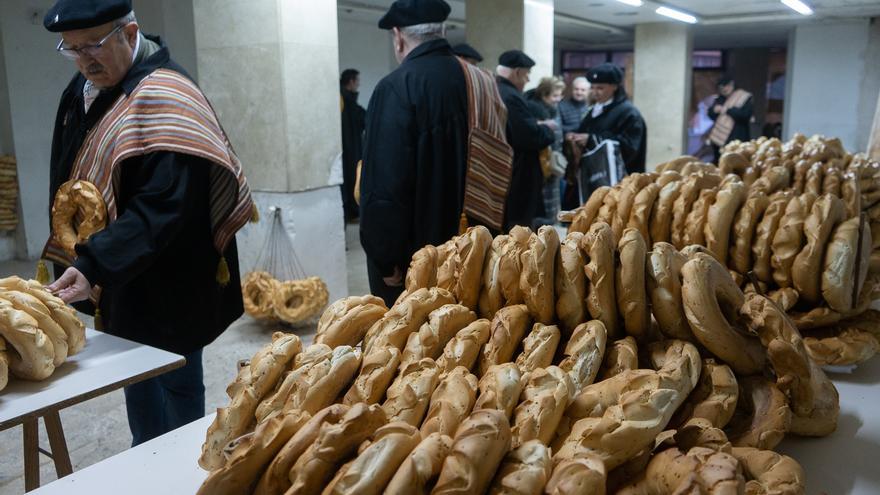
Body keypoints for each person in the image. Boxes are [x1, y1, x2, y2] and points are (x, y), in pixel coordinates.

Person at [41, 0, 254, 446]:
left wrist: (94, 263)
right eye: (72, 49)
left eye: (94, 45)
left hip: (170, 279)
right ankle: (145, 461)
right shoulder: (79, 90)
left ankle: (180, 465)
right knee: (134, 380)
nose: (84, 60)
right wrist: (87, 260)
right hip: (119, 277)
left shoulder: (167, 96)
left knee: (176, 380)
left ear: (131, 33)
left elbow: (164, 207)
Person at [359, 0, 470, 307]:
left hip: (416, 262)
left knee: (411, 345)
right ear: (442, 30)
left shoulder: (397, 87)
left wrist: (385, 257)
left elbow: (383, 183)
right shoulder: (479, 82)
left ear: (398, 36)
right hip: (476, 256)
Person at [496, 50, 556, 231]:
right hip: (518, 174)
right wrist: (547, 129)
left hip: (503, 169)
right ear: (517, 72)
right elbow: (529, 137)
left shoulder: (494, 88)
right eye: (527, 74)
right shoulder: (511, 96)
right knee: (518, 230)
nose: (528, 80)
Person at [567, 63, 647, 175]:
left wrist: (592, 140)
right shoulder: (593, 109)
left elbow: (630, 147)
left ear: (614, 87)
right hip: (589, 174)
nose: (595, 92)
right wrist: (575, 137)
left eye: (600, 88)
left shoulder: (629, 113)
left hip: (616, 179)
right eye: (592, 87)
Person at [525, 76, 566, 228]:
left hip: (551, 162)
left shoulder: (551, 108)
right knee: (542, 209)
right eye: (555, 95)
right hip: (542, 165)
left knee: (550, 207)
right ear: (544, 94)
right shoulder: (535, 109)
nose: (558, 99)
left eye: (560, 95)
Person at [340, 68, 366, 222]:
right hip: (348, 146)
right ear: (351, 81)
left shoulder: (346, 98)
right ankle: (351, 211)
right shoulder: (345, 99)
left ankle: (351, 211)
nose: (359, 84)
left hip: (350, 145)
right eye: (357, 80)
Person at [708, 75, 753, 161]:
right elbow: (711, 114)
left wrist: (727, 110)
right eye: (721, 88)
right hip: (720, 141)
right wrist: (714, 110)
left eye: (726, 86)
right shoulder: (720, 99)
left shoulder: (743, 97)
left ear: (732, 84)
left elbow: (745, 115)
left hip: (738, 138)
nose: (724, 90)